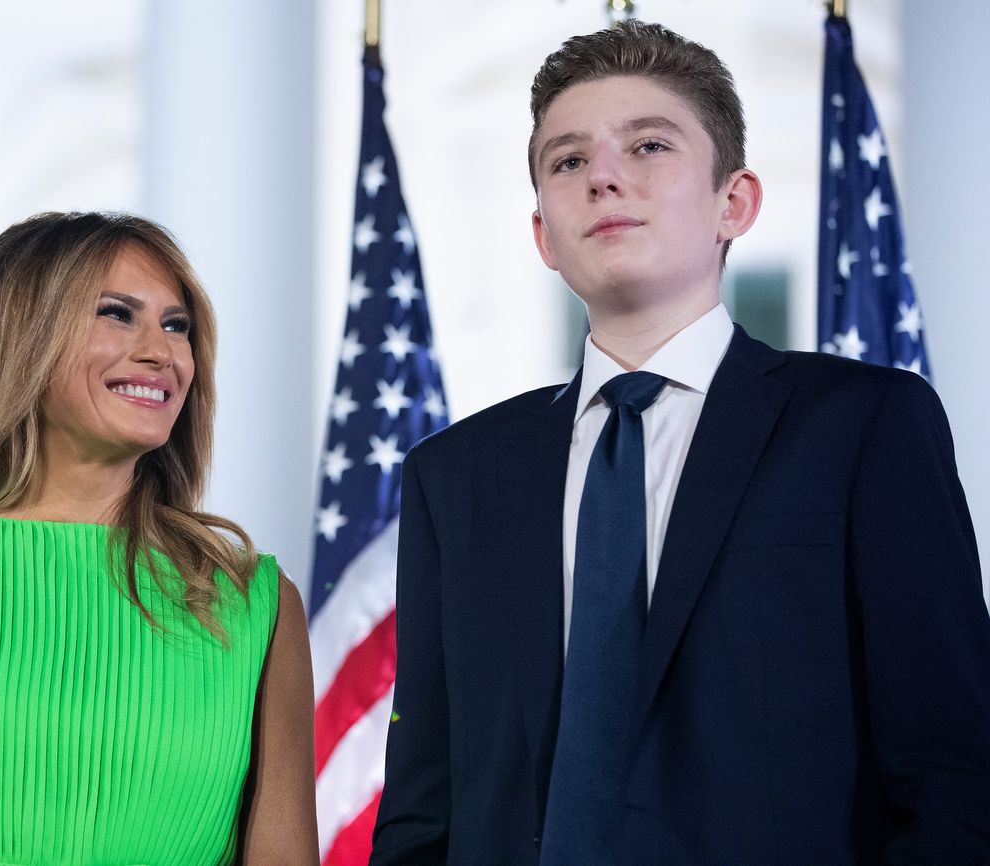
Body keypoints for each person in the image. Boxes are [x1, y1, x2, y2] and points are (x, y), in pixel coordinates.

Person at [371, 20, 990, 865]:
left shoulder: (864, 427)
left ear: (732, 202)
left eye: (649, 146)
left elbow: (953, 773)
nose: (604, 178)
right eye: (568, 161)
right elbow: (423, 806)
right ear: (544, 234)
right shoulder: (455, 476)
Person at [0, 212, 319, 865]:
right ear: (23, 338)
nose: (161, 351)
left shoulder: (254, 604)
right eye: (116, 314)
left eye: (176, 325)